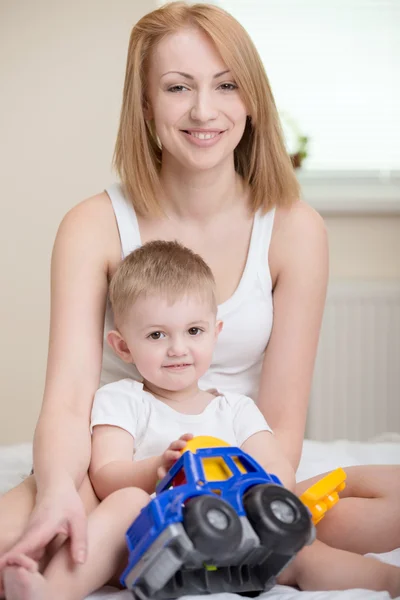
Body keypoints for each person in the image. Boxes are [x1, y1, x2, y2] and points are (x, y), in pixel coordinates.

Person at [0, 0, 399, 593]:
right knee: (23, 537)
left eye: (226, 85)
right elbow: (67, 400)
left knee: (364, 514)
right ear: (145, 103)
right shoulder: (93, 225)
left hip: (237, 465)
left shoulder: (295, 229)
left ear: (252, 98)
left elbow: (282, 421)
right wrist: (59, 490)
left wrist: (248, 503)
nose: (204, 110)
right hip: (113, 466)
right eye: (177, 87)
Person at [2, 241, 399, 599]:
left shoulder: (235, 409)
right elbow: (106, 473)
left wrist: (264, 491)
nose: (178, 348)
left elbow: (276, 466)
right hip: (154, 537)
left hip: (233, 533)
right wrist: (155, 470)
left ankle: (387, 581)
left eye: (194, 330)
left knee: (302, 553)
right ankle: (49, 592)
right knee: (127, 502)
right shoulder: (122, 400)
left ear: (215, 333)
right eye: (157, 335)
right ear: (123, 346)